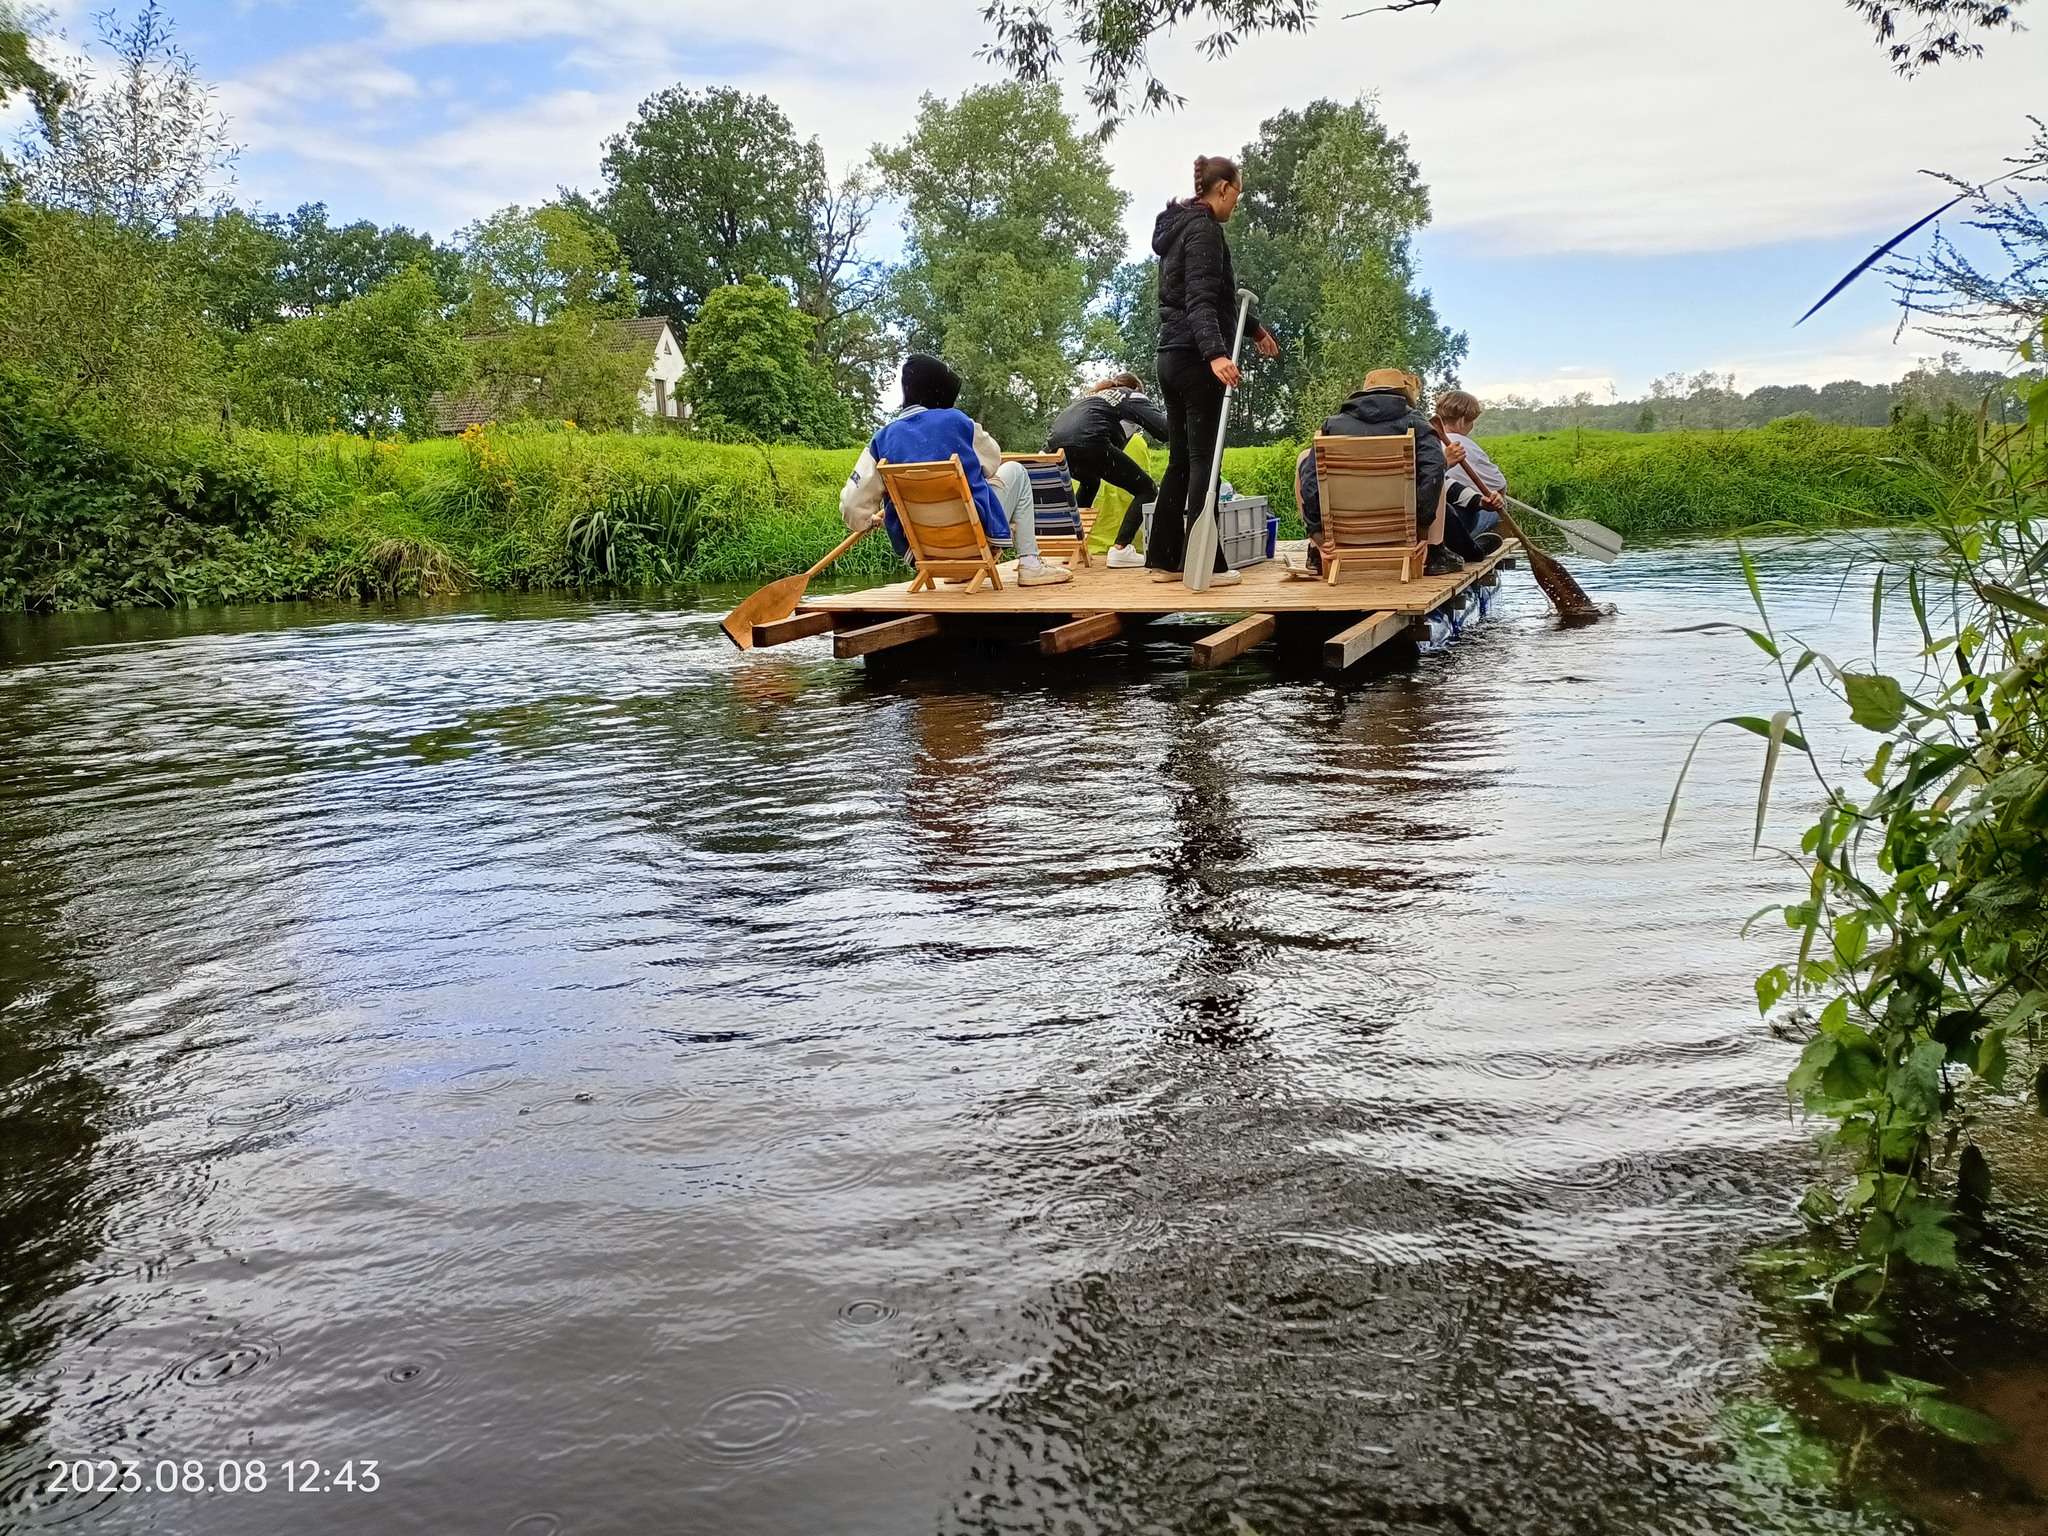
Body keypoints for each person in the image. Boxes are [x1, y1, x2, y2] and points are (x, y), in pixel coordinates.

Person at [1148, 154, 1279, 586]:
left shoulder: (1178, 228)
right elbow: (1200, 301)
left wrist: (1255, 331)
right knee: (1206, 459)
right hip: (1195, 357)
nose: (1236, 205)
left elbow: (1215, 296)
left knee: (1181, 460)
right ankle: (1209, 564)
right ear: (1222, 189)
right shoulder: (1204, 230)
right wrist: (1216, 355)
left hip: (1170, 354)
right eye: (1237, 196)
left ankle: (1165, 560)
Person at [839, 354, 1073, 587]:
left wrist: (865, 522)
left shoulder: (881, 440)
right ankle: (1030, 564)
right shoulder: (959, 422)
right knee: (1016, 471)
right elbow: (992, 463)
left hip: (923, 551)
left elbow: (852, 504)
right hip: (973, 539)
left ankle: (959, 569)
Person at [1293, 369, 1469, 578]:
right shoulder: (1417, 424)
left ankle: (1315, 553)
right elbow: (1432, 475)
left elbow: (1310, 481)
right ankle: (1435, 553)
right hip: (1401, 528)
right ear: (1402, 394)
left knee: (1305, 459)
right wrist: (1421, 528)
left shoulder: (1332, 426)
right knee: (1436, 465)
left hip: (1345, 531)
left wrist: (1318, 534)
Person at [1045, 373, 1169, 569]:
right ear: (1136, 388)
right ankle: (1121, 550)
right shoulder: (1132, 396)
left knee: (1090, 481)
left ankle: (1074, 547)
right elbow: (1164, 431)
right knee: (1147, 489)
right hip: (1091, 441)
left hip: (1056, 446)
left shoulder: (1093, 398)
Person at [1434, 388, 1506, 556]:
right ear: (1461, 421)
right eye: (1471, 421)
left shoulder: (1426, 441)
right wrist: (1495, 500)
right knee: (1495, 510)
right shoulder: (1462, 445)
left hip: (1431, 521)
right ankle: (1470, 544)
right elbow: (1499, 485)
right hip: (1449, 523)